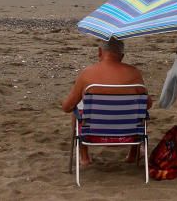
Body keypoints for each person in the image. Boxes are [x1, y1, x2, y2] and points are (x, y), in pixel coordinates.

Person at [62, 37, 152, 166]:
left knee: (78, 108)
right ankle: (133, 154)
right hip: (128, 136)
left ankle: (84, 157)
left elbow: (67, 107)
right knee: (140, 112)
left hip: (93, 136)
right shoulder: (134, 73)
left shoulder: (87, 74)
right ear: (122, 56)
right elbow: (148, 104)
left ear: (100, 52)